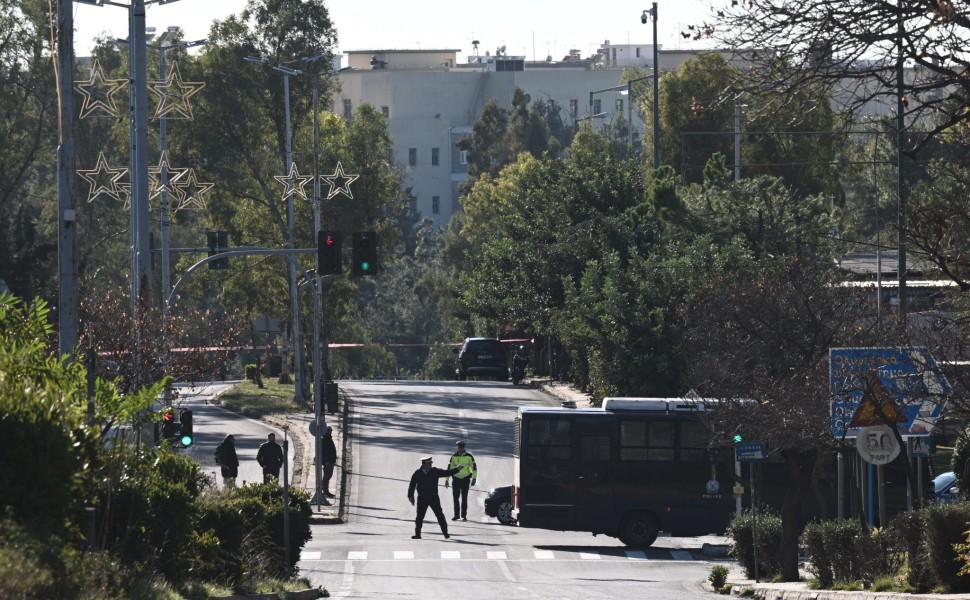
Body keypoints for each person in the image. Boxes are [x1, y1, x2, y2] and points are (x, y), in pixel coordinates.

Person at [407, 456, 462, 539]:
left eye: (431, 463)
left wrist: (457, 469)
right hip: (422, 498)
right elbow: (412, 485)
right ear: (424, 464)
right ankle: (417, 534)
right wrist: (410, 496)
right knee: (419, 517)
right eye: (429, 464)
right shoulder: (417, 473)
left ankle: (445, 533)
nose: (430, 465)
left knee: (440, 515)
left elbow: (447, 473)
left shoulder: (435, 471)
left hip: (433, 497)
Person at [444, 440, 477, 521]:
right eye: (459, 447)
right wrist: (446, 480)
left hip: (465, 479)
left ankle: (464, 515)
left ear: (464, 447)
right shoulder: (453, 456)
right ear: (457, 447)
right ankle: (456, 515)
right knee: (456, 498)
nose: (461, 449)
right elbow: (449, 468)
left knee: (464, 498)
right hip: (456, 479)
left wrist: (474, 478)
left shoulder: (469, 456)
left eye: (462, 447)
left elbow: (474, 468)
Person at [321, 426, 337, 503]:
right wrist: (325, 461)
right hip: (327, 462)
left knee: (328, 476)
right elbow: (323, 452)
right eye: (328, 430)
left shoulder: (329, 439)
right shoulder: (324, 440)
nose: (329, 432)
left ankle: (324, 489)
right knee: (326, 477)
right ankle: (325, 491)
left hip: (331, 462)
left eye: (330, 430)